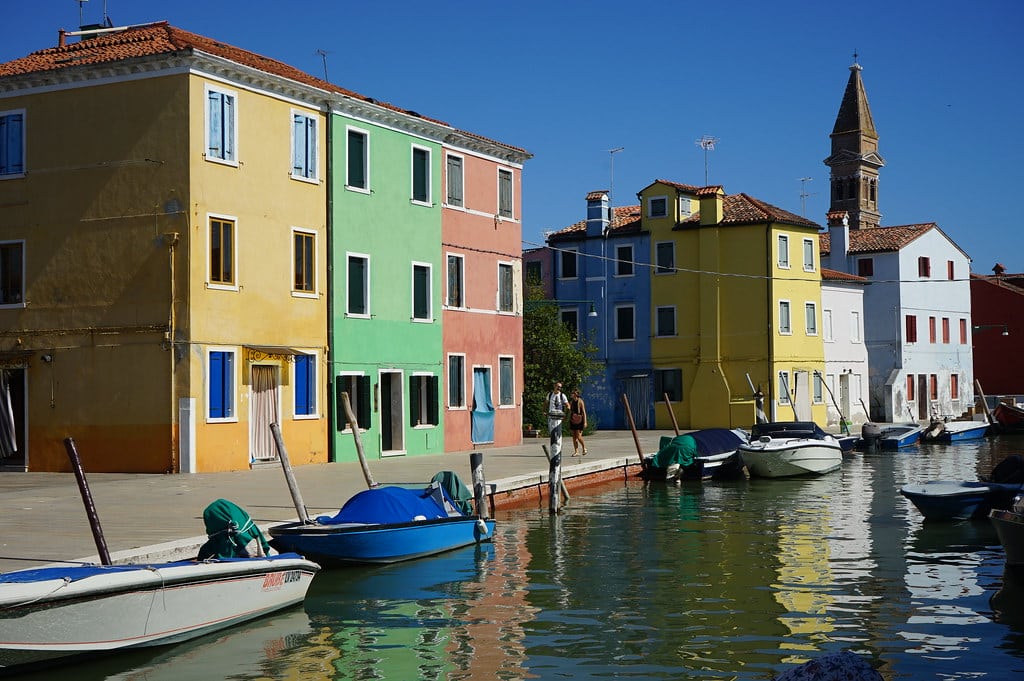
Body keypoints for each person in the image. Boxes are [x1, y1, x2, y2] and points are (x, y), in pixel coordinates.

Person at [545, 381, 570, 459]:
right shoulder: (550, 395)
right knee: (552, 433)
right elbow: (546, 403)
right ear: (554, 386)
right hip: (551, 417)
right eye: (558, 386)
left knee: (558, 434)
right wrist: (544, 411)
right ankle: (554, 449)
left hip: (558, 417)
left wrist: (566, 413)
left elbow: (567, 405)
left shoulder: (562, 396)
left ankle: (557, 450)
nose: (559, 388)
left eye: (560, 387)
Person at [568, 389, 588, 456]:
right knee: (574, 436)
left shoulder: (580, 401)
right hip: (573, 419)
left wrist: (585, 422)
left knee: (578, 436)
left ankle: (584, 448)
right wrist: (568, 419)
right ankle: (576, 451)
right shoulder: (571, 402)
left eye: (573, 393)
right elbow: (570, 411)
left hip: (580, 420)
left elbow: (584, 412)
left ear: (576, 394)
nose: (571, 394)